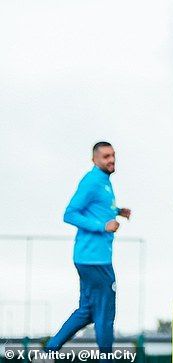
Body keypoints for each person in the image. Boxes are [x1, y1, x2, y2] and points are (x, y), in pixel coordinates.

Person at [46, 142, 131, 353]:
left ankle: (49, 351)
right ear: (94, 160)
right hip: (95, 260)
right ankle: (105, 358)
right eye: (105, 157)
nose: (111, 160)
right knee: (105, 314)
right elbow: (70, 213)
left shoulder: (104, 181)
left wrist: (118, 211)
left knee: (87, 312)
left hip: (90, 258)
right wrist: (103, 226)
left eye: (113, 155)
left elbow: (97, 208)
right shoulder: (92, 180)